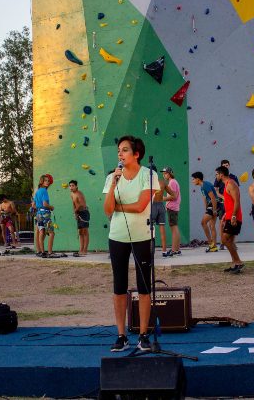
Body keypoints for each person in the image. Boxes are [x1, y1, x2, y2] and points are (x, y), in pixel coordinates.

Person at [103, 135, 159, 352]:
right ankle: (121, 335)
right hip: (117, 236)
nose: (120, 154)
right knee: (119, 286)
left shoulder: (148, 175)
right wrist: (114, 183)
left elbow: (140, 206)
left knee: (144, 286)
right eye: (119, 150)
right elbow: (107, 210)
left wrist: (118, 207)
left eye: (125, 150)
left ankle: (143, 334)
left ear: (136, 154)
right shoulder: (112, 178)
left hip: (143, 235)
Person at [216, 165, 244, 273]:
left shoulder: (231, 184)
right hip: (229, 216)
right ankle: (235, 264)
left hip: (234, 217)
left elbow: (237, 201)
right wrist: (225, 215)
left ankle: (238, 262)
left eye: (217, 174)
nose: (216, 176)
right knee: (230, 241)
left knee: (224, 240)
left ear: (222, 174)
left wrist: (233, 216)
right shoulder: (226, 184)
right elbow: (229, 203)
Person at [214, 160, 239, 250]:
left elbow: (236, 192)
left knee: (233, 223)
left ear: (229, 166)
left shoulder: (233, 178)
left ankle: (232, 242)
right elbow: (216, 191)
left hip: (231, 204)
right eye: (224, 165)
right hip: (222, 204)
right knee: (222, 223)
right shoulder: (218, 178)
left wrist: (229, 198)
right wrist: (224, 197)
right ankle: (222, 242)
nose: (226, 166)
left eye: (227, 165)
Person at [191, 172, 219, 252]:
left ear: (198, 179)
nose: (192, 181)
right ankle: (214, 246)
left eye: (193, 179)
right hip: (211, 205)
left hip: (214, 204)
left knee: (203, 223)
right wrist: (206, 208)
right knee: (212, 226)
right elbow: (205, 198)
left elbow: (213, 197)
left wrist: (214, 209)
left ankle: (210, 243)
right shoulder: (202, 187)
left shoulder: (206, 185)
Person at [34, 174, 56, 258]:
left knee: (41, 232)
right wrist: (51, 207)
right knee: (51, 233)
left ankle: (42, 252)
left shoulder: (37, 191)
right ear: (42, 181)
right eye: (46, 180)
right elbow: (45, 204)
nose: (48, 182)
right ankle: (50, 252)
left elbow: (34, 205)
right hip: (45, 213)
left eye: (48, 181)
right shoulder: (44, 191)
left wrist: (40, 208)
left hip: (38, 214)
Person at [161, 167, 181, 257]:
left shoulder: (172, 182)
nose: (164, 175)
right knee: (175, 228)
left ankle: (174, 250)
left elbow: (174, 196)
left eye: (165, 173)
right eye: (163, 173)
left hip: (172, 207)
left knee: (174, 228)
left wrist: (163, 198)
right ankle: (177, 249)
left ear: (169, 174)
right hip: (173, 207)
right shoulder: (173, 182)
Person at [149, 166, 168, 254]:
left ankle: (150, 252)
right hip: (161, 206)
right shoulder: (162, 182)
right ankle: (164, 251)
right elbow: (174, 195)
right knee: (162, 229)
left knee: (150, 230)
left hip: (152, 206)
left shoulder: (148, 183)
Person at [68, 180, 90, 256]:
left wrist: (75, 211)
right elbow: (73, 204)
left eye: (73, 185)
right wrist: (75, 213)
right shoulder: (72, 194)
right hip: (78, 213)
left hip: (84, 213)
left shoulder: (79, 194)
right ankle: (81, 249)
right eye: (70, 186)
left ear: (76, 186)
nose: (71, 187)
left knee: (85, 232)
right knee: (80, 232)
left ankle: (85, 250)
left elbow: (82, 204)